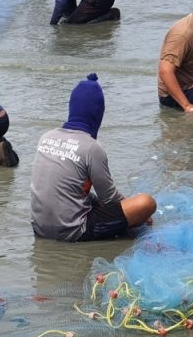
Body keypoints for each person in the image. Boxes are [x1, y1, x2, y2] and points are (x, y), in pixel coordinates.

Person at [30, 73, 156, 242]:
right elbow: (109, 198)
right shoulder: (91, 147)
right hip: (74, 231)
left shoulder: (46, 137)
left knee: (90, 198)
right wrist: (138, 213)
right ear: (97, 115)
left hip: (39, 228)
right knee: (146, 203)